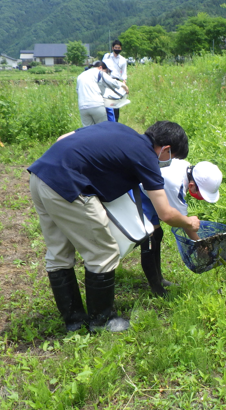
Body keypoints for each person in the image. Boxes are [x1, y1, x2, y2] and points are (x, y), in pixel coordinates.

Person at [27, 121, 200, 333]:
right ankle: (102, 321)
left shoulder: (119, 129)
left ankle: (74, 321)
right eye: (171, 158)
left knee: (58, 253)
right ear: (165, 149)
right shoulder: (147, 157)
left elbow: (63, 138)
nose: (169, 163)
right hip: (68, 187)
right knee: (103, 253)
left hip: (40, 175)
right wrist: (189, 222)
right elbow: (165, 213)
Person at [139, 160, 222, 296]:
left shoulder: (185, 166)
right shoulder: (174, 184)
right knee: (148, 241)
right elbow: (180, 221)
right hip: (138, 195)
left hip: (150, 195)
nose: (200, 197)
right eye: (201, 194)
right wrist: (200, 244)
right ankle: (156, 289)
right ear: (191, 185)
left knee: (157, 233)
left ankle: (159, 279)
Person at [76, 61, 128, 127]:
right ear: (100, 67)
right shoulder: (99, 72)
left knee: (89, 132)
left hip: (82, 108)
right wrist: (124, 86)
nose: (106, 73)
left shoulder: (80, 75)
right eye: (106, 71)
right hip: (96, 105)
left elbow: (77, 91)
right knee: (102, 130)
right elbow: (112, 82)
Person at [103, 40, 127, 122]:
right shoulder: (107, 56)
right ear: (112, 48)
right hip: (107, 81)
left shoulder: (123, 60)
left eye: (119, 47)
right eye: (115, 47)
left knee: (116, 104)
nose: (117, 49)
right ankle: (107, 122)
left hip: (117, 82)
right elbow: (102, 68)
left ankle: (115, 122)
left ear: (121, 48)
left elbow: (124, 73)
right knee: (106, 102)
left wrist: (124, 84)